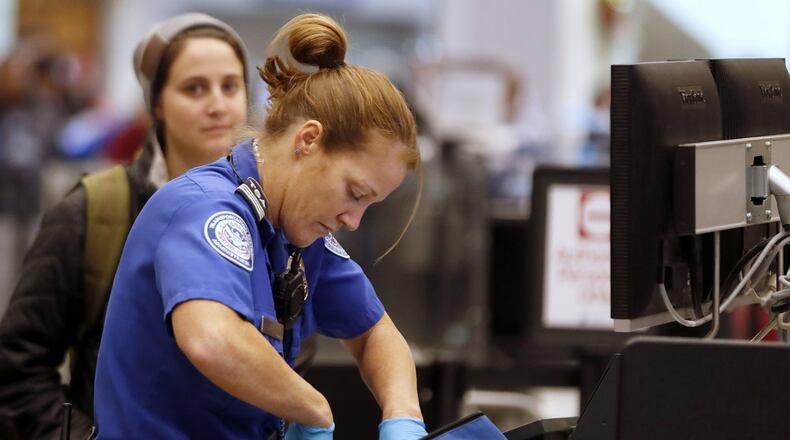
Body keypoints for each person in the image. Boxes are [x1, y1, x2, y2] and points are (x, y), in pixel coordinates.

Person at [94, 12, 428, 440]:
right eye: (355, 192)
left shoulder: (300, 234)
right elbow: (210, 338)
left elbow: (374, 332)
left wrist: (404, 415)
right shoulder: (204, 208)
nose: (353, 220)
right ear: (307, 140)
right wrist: (314, 410)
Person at [0, 13, 249, 440]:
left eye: (230, 86)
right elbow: (19, 366)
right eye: (194, 88)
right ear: (156, 103)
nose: (217, 104)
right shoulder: (95, 210)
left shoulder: (268, 215)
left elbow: (292, 350)